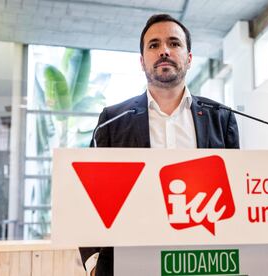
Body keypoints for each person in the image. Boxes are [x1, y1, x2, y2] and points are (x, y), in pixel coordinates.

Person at [80, 13, 239, 276]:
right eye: (154, 45)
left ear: (189, 58)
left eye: (174, 43)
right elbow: (87, 192)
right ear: (142, 61)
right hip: (129, 262)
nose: (164, 50)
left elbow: (235, 194)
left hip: (204, 261)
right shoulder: (113, 120)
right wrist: (94, 262)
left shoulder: (221, 117)